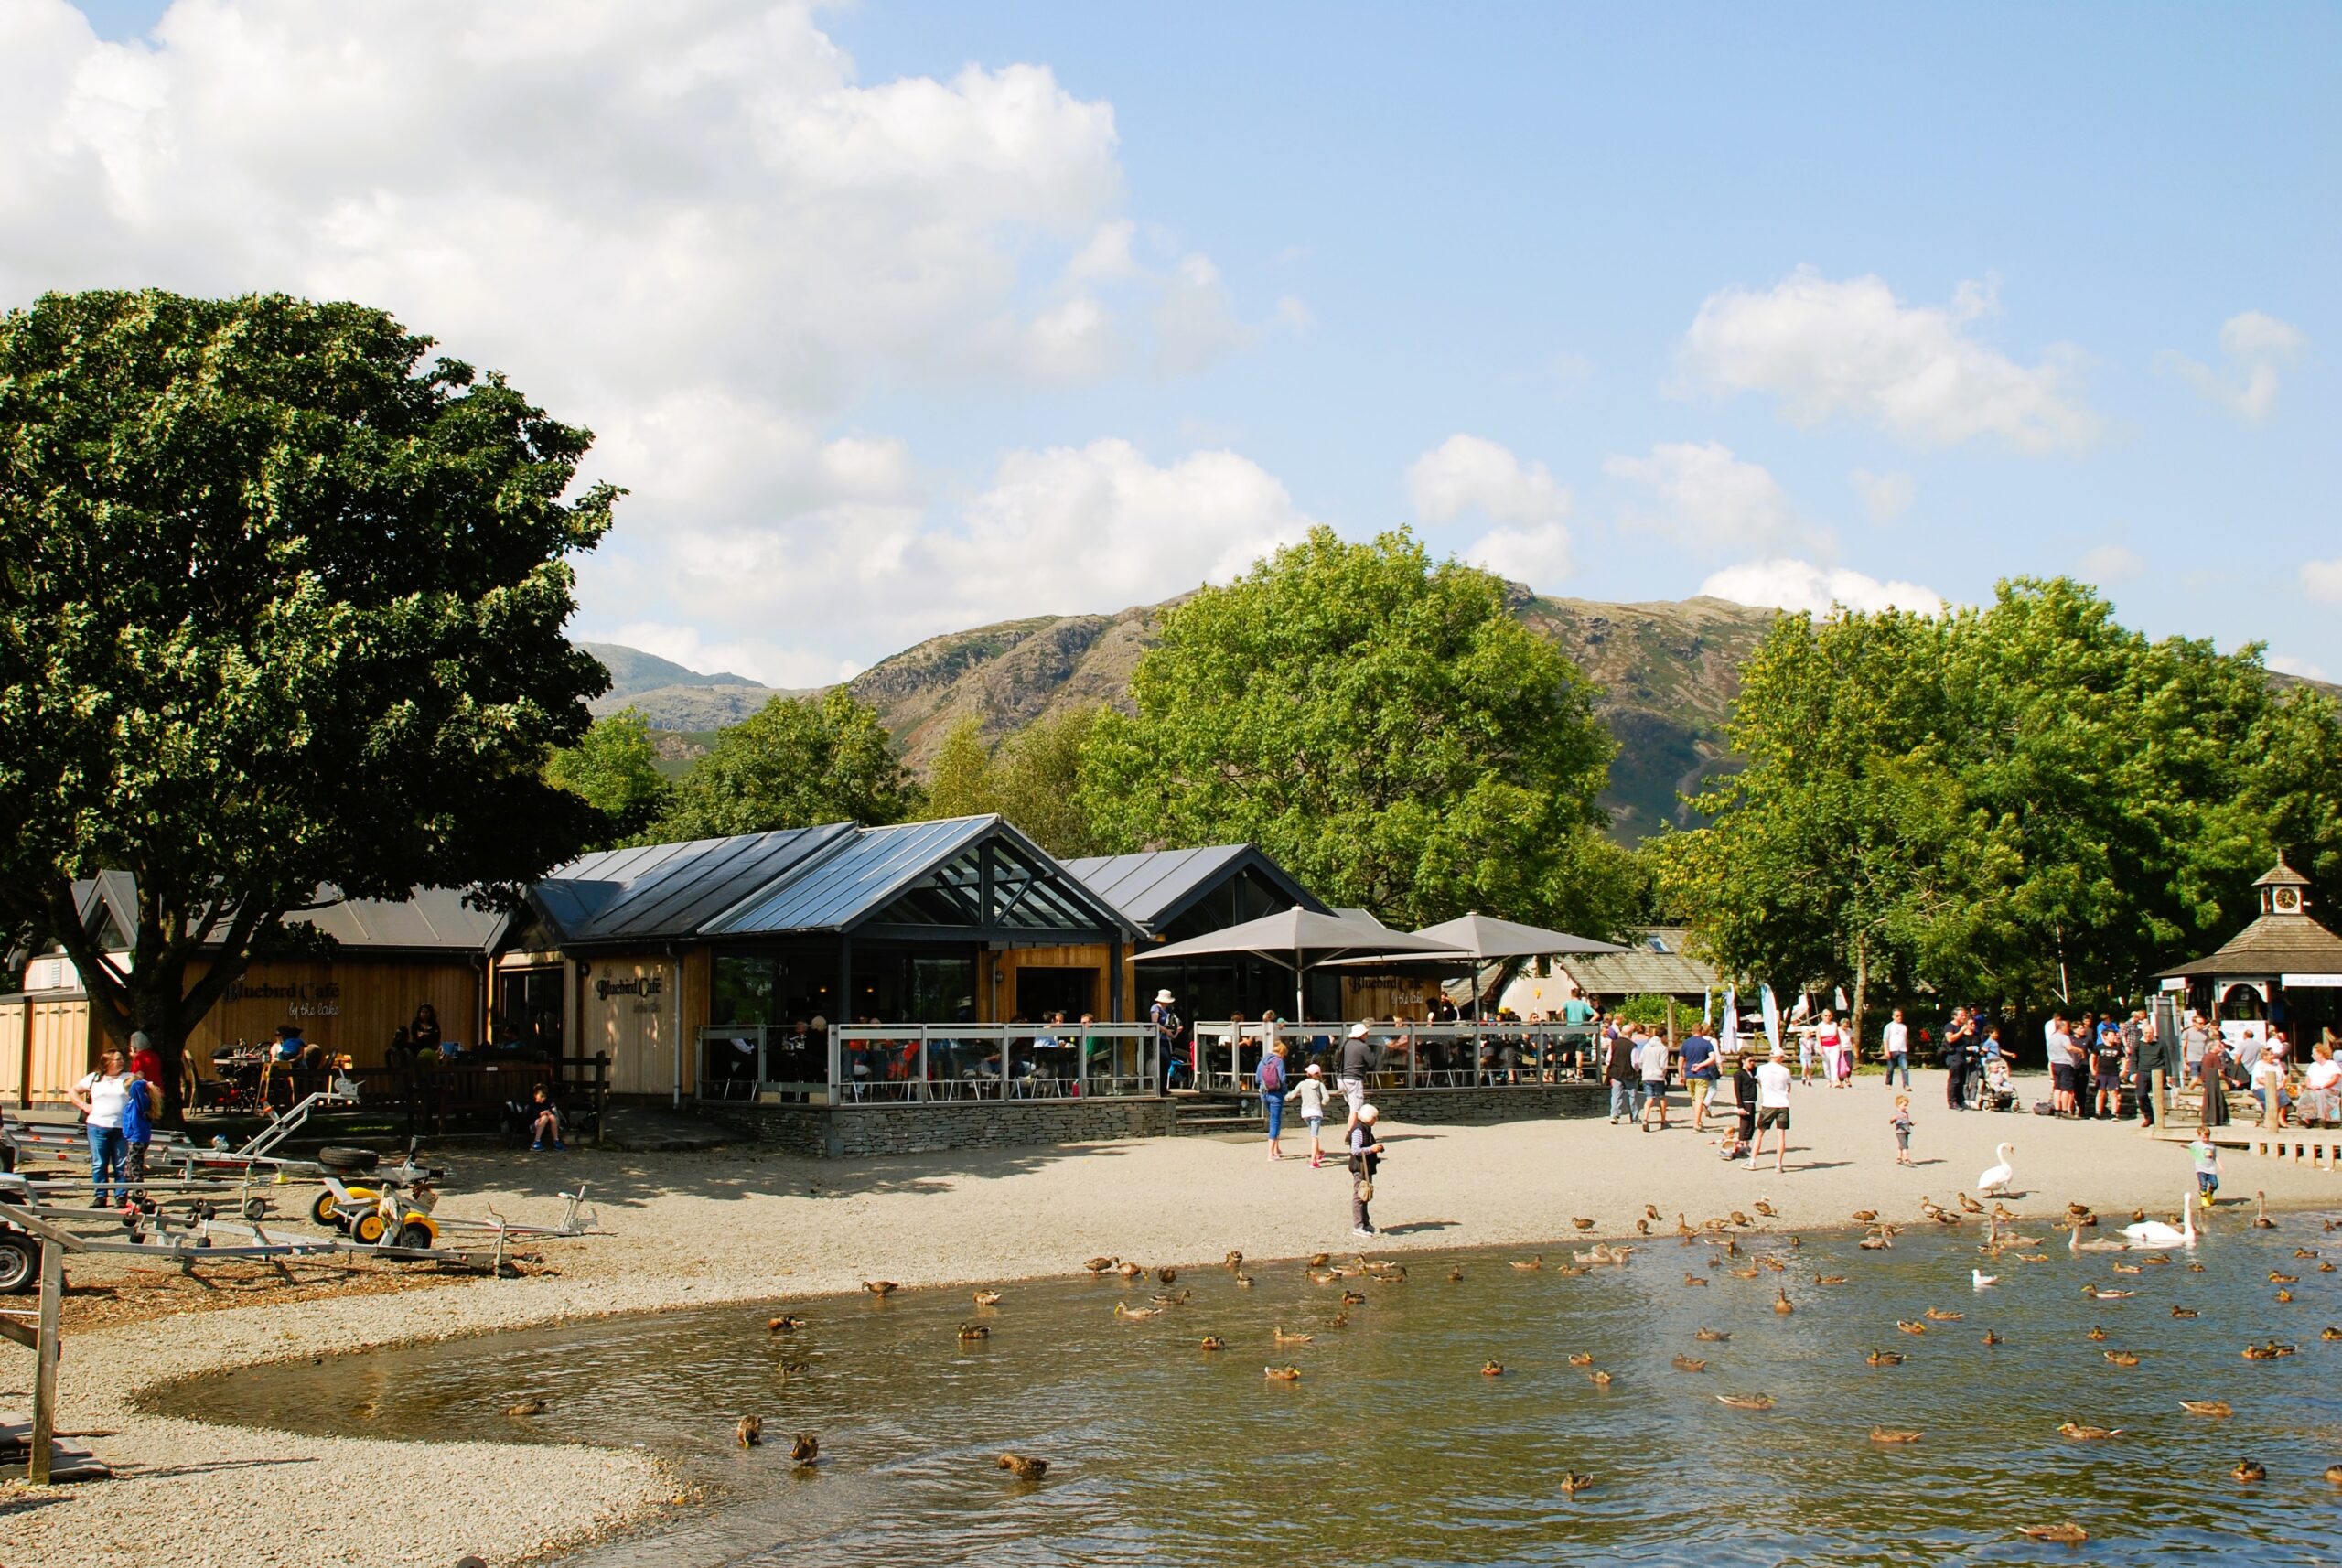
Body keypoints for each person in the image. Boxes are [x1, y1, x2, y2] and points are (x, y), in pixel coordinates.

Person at [70, 1047, 134, 1207]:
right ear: (107, 1062)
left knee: (121, 1163)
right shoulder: (95, 1078)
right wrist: (85, 1106)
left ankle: (120, 1196)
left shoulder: (128, 1077)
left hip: (121, 1126)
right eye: (117, 1059)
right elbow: (73, 1091)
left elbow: (148, 1089)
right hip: (97, 1125)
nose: (121, 1062)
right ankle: (100, 1195)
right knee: (99, 1163)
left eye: (122, 1059)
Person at [118, 1054, 159, 1200]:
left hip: (138, 1138)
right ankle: (130, 1194)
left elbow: (136, 1086)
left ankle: (138, 1194)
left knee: (134, 1167)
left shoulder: (141, 1101)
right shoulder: (134, 1101)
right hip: (133, 1137)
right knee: (131, 1165)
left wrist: (144, 1082)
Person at [1748, 1047, 1793, 1173]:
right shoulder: (1785, 1071)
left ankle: (1752, 1161)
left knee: (1760, 1133)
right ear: (1779, 1057)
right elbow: (1788, 1088)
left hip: (1768, 1103)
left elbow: (1760, 1083)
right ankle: (1779, 1164)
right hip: (1783, 1103)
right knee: (1781, 1135)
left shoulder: (1761, 1069)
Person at [1348, 1103, 1385, 1239]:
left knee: (1366, 1195)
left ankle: (1365, 1223)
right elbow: (1355, 1150)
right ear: (1369, 1117)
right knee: (1359, 1196)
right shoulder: (1358, 1130)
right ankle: (1358, 1226)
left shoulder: (1366, 1129)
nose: (1376, 1120)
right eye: (1375, 1117)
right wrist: (1372, 1149)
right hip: (1359, 1167)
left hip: (1366, 1167)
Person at [1287, 1062, 1333, 1166]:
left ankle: (1318, 1153)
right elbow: (1326, 1097)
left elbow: (1293, 1094)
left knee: (1313, 1134)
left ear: (1308, 1074)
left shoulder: (1302, 1084)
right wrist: (1324, 1101)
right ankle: (1314, 1160)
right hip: (1316, 1112)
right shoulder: (1320, 1085)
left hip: (1305, 1113)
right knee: (1314, 1136)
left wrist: (1287, 1097)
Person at [1680, 1024, 1719, 1132]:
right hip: (1701, 1074)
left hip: (1689, 1073)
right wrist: (1701, 1065)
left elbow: (1681, 1059)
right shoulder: (1707, 1043)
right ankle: (1696, 1124)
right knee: (1700, 1099)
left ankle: (1698, 1120)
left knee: (1694, 1099)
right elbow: (1712, 1058)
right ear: (1701, 1031)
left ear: (1692, 1032)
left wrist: (1681, 1074)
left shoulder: (1685, 1043)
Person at [1258, 1039, 1289, 1160]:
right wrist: (1286, 1092)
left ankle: (1276, 1148)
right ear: (1281, 1052)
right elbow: (1282, 1079)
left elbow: (1257, 1079)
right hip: (1276, 1094)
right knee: (1275, 1121)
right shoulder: (1279, 1061)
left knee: (1273, 1120)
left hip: (1264, 1093)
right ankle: (1271, 1153)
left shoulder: (1263, 1061)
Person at [1725, 1052, 1758, 1160]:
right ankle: (1741, 1145)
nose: (1752, 1063)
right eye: (1750, 1061)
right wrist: (1740, 1105)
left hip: (1752, 1100)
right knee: (1745, 1124)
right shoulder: (1739, 1074)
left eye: (1753, 1061)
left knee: (1751, 1124)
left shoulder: (1753, 1072)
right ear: (1743, 1061)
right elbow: (1737, 1090)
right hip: (1744, 1100)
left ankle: (1747, 1144)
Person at [1150, 989, 1186, 1090]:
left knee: (1167, 1062)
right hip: (1159, 1039)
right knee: (1162, 1061)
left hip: (1167, 1040)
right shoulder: (1155, 1008)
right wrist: (1166, 1030)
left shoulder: (1169, 1010)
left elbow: (1174, 1022)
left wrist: (1176, 1031)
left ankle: (1163, 1087)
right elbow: (1154, 1023)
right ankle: (1159, 1088)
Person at [1637, 1027, 1671, 1131]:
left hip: (1647, 1075)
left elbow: (1640, 1061)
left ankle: (1645, 1118)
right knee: (1661, 1098)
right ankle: (1663, 1120)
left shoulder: (1646, 1046)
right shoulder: (1663, 1048)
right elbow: (1663, 1065)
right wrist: (1663, 1073)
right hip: (1658, 1076)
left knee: (1649, 1098)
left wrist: (1645, 1070)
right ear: (1663, 1036)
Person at [2092, 1016, 2125, 1120]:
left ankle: (2114, 1113)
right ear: (2105, 1036)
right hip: (2101, 1072)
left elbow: (2124, 1059)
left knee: (2114, 1093)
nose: (2113, 1037)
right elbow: (2092, 1057)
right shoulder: (2099, 1047)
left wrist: (2124, 1069)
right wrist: (2092, 1069)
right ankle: (2098, 1112)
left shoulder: (2118, 1048)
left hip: (2113, 1073)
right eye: (2111, 1035)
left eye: (2114, 1035)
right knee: (2101, 1092)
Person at [2302, 1041, 2341, 1128]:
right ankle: (2308, 1118)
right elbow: (2307, 1079)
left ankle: (2327, 1119)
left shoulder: (2331, 1064)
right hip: (2315, 1088)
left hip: (2330, 1088)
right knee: (2307, 1094)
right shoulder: (2313, 1065)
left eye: (2314, 1054)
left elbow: (2335, 1079)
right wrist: (2310, 1086)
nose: (2312, 1056)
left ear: (2320, 1054)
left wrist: (2322, 1086)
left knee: (2322, 1093)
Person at [1338, 1022, 1373, 1118]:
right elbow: (1372, 1062)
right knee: (1356, 1110)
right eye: (1366, 1033)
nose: (1367, 1035)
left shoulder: (1345, 1044)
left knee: (1352, 1107)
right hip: (1354, 1079)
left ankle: (1354, 1130)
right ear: (1361, 1034)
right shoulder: (1363, 1047)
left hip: (1341, 1079)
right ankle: (1352, 1132)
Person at [2197, 1031, 2232, 1129]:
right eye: (2218, 1045)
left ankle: (2209, 1119)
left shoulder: (2206, 1056)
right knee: (2217, 1100)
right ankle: (2218, 1119)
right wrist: (2228, 1080)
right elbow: (2218, 1072)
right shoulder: (2214, 1057)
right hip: (2213, 1081)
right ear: (2213, 1047)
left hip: (2207, 1081)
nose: (2220, 1047)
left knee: (2209, 1100)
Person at [1605, 1024, 1638, 1124]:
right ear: (1631, 1034)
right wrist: (1637, 1070)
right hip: (1629, 1073)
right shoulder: (1632, 1045)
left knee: (1615, 1095)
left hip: (1616, 1073)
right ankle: (1634, 1117)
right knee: (1632, 1095)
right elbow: (1635, 1062)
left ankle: (1614, 1115)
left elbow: (1608, 1059)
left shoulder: (1613, 1043)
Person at [1942, 1007, 1975, 1111]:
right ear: (1955, 1016)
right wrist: (1961, 1031)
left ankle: (1961, 1100)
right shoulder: (1949, 1026)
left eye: (1965, 1015)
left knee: (1962, 1080)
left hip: (1962, 1055)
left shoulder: (1962, 1027)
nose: (1964, 1017)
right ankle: (1952, 1102)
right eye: (1962, 1015)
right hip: (1953, 1056)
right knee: (1954, 1080)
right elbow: (1950, 1039)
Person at [2251, 1046, 2289, 1129]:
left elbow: (2284, 1076)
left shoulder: (2277, 1064)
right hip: (2261, 1087)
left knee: (2283, 1095)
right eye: (2270, 1054)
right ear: (2264, 1056)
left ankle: (2280, 1117)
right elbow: (2259, 1079)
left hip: (2278, 1086)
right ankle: (2268, 1119)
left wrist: (2282, 1083)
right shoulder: (2259, 1065)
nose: (2273, 1056)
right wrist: (2272, 1086)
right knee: (2269, 1097)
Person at [2188, 1123, 2220, 1207]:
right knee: (2203, 1184)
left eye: (2207, 1137)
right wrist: (2182, 1145)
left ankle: (2210, 1194)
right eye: (2203, 1137)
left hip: (2211, 1168)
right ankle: (2203, 1197)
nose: (2205, 1139)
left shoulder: (2212, 1146)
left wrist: (2220, 1165)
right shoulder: (2197, 1144)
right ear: (2199, 1136)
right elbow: (2189, 1147)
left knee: (2215, 1184)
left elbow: (2215, 1156)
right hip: (2200, 1168)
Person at [526, 1083, 564, 1151]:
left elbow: (553, 1115)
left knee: (551, 1116)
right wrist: (540, 1114)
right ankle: (536, 1141)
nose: (543, 1098)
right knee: (545, 1117)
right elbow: (527, 1118)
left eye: (545, 1096)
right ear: (535, 1095)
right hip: (534, 1126)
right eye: (541, 1096)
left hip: (547, 1126)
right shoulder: (531, 1105)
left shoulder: (547, 1104)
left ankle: (556, 1140)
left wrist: (549, 1113)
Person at [1881, 1007, 1910, 1090]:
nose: (1899, 1018)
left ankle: (1906, 1085)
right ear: (1893, 1017)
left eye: (1900, 1016)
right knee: (1890, 1068)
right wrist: (1886, 1050)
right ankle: (1888, 1083)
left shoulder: (1904, 1027)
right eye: (1897, 1016)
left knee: (1905, 1068)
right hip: (1892, 1050)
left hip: (1902, 1050)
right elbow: (1885, 1039)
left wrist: (1906, 1046)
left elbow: (1905, 1038)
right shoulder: (1889, 1026)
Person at [1889, 1094, 1915, 1166]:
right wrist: (1893, 1119)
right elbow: (1891, 1122)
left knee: (1901, 1145)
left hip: (1906, 1131)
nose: (1906, 1107)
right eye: (1904, 1105)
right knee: (1905, 1146)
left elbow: (1906, 1121)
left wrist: (1911, 1123)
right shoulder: (1897, 1114)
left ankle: (1899, 1159)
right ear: (1898, 1105)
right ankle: (1906, 1159)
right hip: (1900, 1132)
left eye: (1907, 1105)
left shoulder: (1905, 1113)